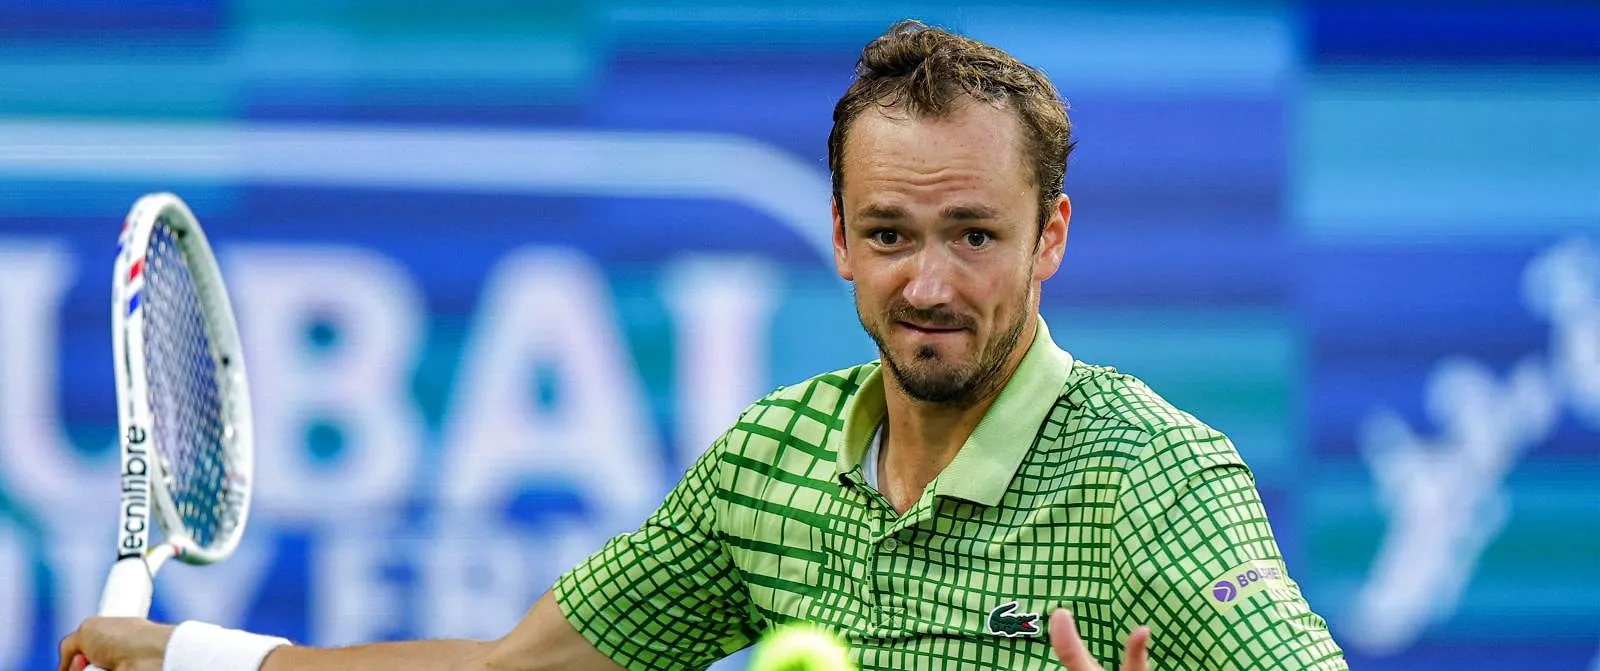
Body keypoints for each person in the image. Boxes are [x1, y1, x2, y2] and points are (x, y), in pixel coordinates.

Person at [60, 20, 1347, 671]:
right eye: (891, 233)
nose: (931, 283)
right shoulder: (771, 461)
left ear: (1049, 234)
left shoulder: (1154, 479)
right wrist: (196, 654)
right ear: (837, 235)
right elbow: (516, 670)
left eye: (975, 234)